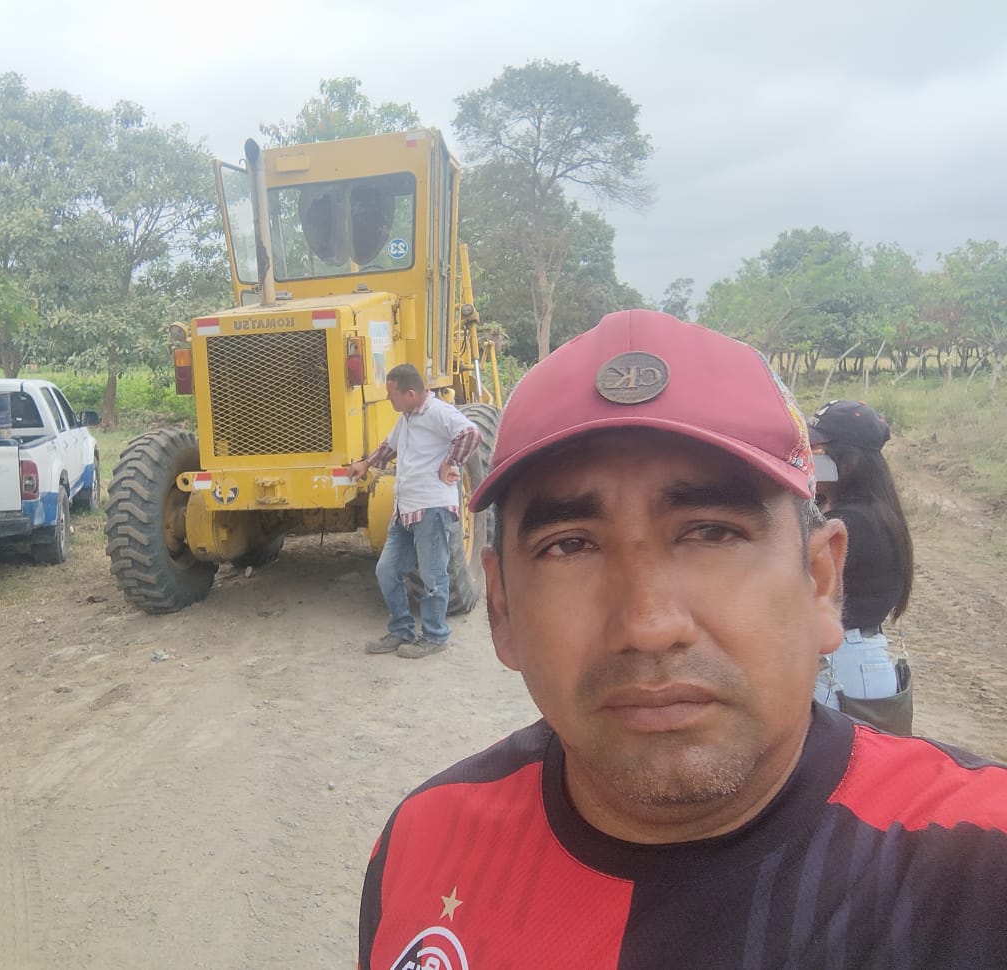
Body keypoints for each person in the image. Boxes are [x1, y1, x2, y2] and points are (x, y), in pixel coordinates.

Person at [358, 309, 1007, 968]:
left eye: (712, 533)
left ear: (819, 581)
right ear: (501, 609)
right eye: (570, 545)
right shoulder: (422, 847)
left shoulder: (978, 862)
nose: (648, 625)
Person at [347, 364, 481, 660]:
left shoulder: (438, 412)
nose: (388, 399)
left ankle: (435, 636)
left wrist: (451, 462)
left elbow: (471, 433)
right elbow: (389, 446)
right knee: (387, 570)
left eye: (391, 393)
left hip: (431, 508)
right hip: (405, 510)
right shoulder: (406, 418)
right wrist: (366, 464)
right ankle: (401, 630)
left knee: (433, 576)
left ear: (410, 393)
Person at [808, 399, 913, 711]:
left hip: (839, 669)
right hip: (851, 662)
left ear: (849, 461)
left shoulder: (849, 524)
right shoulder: (872, 513)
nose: (807, 459)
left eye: (817, 452)